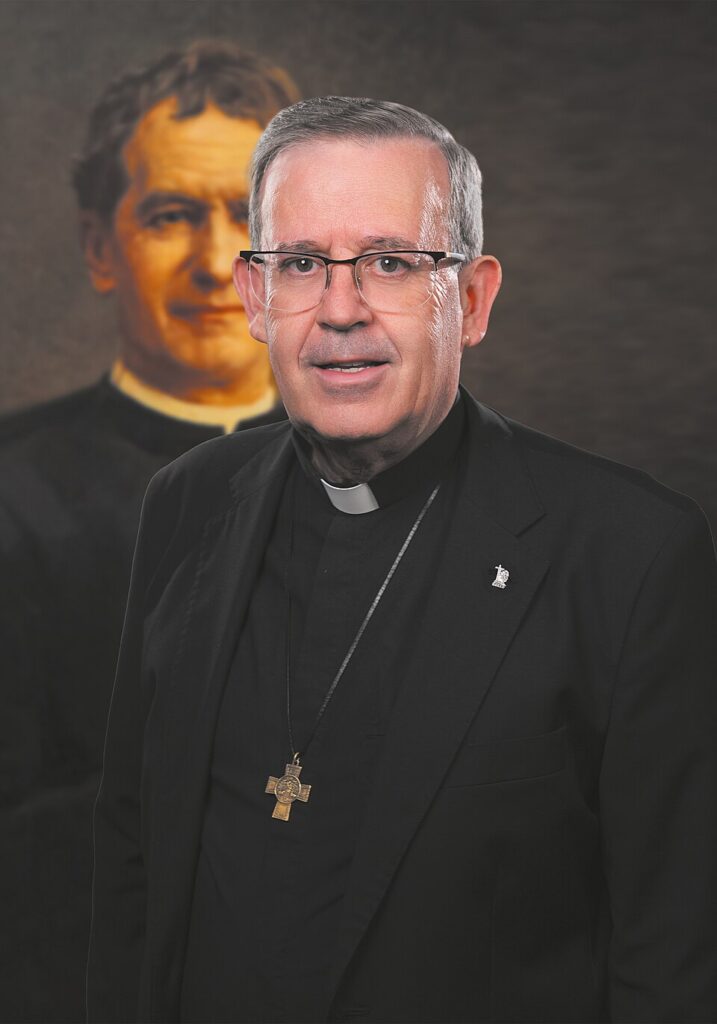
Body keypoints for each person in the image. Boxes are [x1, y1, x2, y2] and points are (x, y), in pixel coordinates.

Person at [87, 97, 717, 1023]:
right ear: (256, 297)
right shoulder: (187, 501)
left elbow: (671, 960)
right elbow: (130, 857)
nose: (340, 311)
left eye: (390, 262)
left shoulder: (630, 554)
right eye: (302, 264)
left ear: (471, 300)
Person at [0, 42, 298, 1023]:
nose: (217, 263)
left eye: (251, 218)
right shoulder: (13, 490)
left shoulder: (424, 477)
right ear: (99, 248)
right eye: (171, 216)